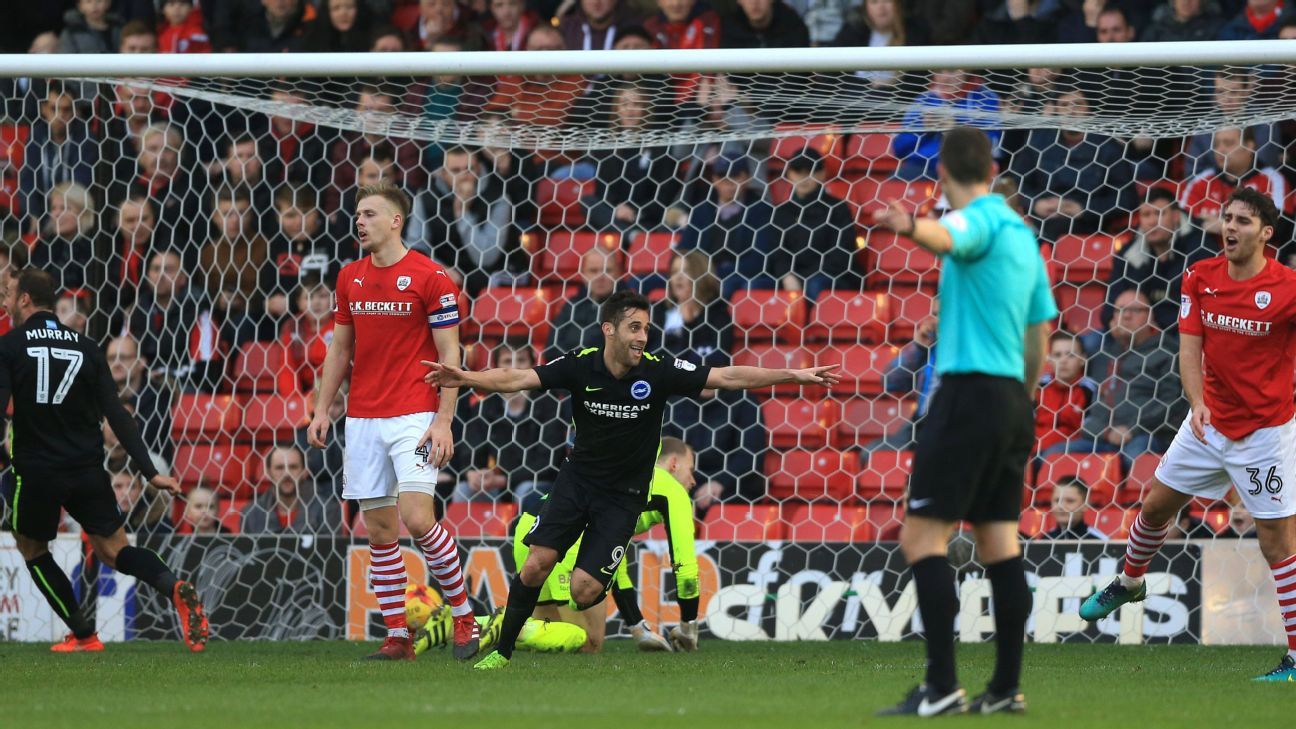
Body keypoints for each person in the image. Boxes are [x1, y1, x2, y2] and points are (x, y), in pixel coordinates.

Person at [424, 288, 840, 670]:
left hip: (622, 498)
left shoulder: (659, 371)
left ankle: (551, 616)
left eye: (647, 328)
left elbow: (726, 376)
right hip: (576, 482)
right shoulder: (580, 364)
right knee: (536, 565)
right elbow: (518, 378)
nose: (643, 336)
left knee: (585, 592)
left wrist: (794, 376)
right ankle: (501, 652)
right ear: (609, 329)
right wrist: (466, 378)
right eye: (634, 328)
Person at [873, 126, 1057, 715]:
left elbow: (950, 235)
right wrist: (1023, 399)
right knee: (1000, 541)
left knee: (922, 536)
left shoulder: (977, 219)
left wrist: (908, 226)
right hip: (1009, 400)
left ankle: (942, 686)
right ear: (992, 165)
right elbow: (1040, 335)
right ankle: (1005, 688)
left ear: (945, 173)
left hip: (967, 393)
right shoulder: (1025, 238)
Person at [1078, 188, 1296, 682]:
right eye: (1227, 218)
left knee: (1277, 544)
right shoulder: (1200, 276)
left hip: (1265, 432)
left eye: (1243, 220)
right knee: (1155, 505)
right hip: (1208, 422)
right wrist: (1197, 403)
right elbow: (1190, 350)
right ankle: (1130, 581)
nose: (1231, 227)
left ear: (1267, 233)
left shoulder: (1287, 287)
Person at [306, 181, 478, 661]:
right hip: (363, 418)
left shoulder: (431, 277)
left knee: (418, 517)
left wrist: (444, 420)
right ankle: (398, 635)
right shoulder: (349, 278)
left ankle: (463, 615)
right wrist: (323, 408)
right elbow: (341, 348)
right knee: (379, 531)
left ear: (396, 221)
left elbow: (451, 354)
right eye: (357, 215)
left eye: (369, 214)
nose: (359, 222)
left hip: (416, 415)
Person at [0, 268, 208, 653]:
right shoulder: (87, 347)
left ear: (25, 299)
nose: (5, 302)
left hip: (37, 470)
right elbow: (117, 414)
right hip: (87, 470)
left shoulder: (10, 346)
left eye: (9, 295)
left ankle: (84, 635)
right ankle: (174, 587)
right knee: (115, 550)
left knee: (32, 550)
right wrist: (150, 472)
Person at [472, 437, 700, 657]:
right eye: (691, 470)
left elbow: (615, 564)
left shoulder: (627, 473)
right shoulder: (673, 491)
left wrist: (638, 628)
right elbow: (686, 567)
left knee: (547, 631)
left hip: (532, 526)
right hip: (571, 537)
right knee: (588, 642)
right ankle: (502, 624)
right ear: (673, 464)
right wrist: (688, 628)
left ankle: (465, 623)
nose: (693, 481)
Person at [451, 340, 565, 506]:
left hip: (534, 482)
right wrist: (473, 473)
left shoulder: (550, 405)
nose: (514, 368)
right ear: (496, 367)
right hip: (495, 483)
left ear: (533, 364)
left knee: (526, 491)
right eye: (507, 361)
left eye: (521, 360)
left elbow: (549, 462)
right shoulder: (485, 407)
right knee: (464, 491)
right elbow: (471, 448)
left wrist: (505, 479)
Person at [1078, 289, 1184, 464]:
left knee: (1134, 461)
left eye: (1134, 310)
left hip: (1145, 435)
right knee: (1058, 454)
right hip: (1103, 437)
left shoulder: (1167, 352)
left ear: (1150, 317)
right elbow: (1093, 405)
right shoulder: (1103, 355)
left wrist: (1132, 429)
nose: (1126, 316)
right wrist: (1105, 432)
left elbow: (1172, 401)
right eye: (1119, 310)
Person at [1104, 187, 1210, 332]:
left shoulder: (1201, 249)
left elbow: (1206, 308)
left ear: (1176, 216)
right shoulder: (1129, 255)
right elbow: (1109, 308)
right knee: (1091, 341)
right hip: (1135, 333)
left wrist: (1153, 324)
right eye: (1146, 215)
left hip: (1182, 334)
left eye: (1159, 213)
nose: (1153, 221)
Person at [545, 246, 625, 361]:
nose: (600, 277)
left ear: (618, 273)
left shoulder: (629, 308)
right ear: (582, 274)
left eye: (607, 270)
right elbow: (551, 349)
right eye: (593, 271)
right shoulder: (572, 305)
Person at [241, 445, 340, 533]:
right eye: (279, 467)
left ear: (305, 472)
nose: (286, 474)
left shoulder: (327, 511)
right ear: (268, 472)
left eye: (293, 467)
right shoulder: (251, 514)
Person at [1035, 331, 1096, 456]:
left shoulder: (1089, 390)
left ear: (1082, 360)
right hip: (1032, 448)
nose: (1063, 360)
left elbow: (1089, 431)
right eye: (1057, 355)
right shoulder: (1039, 387)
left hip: (1067, 454)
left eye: (1071, 355)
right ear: (1050, 360)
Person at [1040, 477, 1107, 540]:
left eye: (1070, 501)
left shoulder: (1098, 541)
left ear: (1085, 505)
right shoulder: (1045, 540)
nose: (1061, 506)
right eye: (1057, 500)